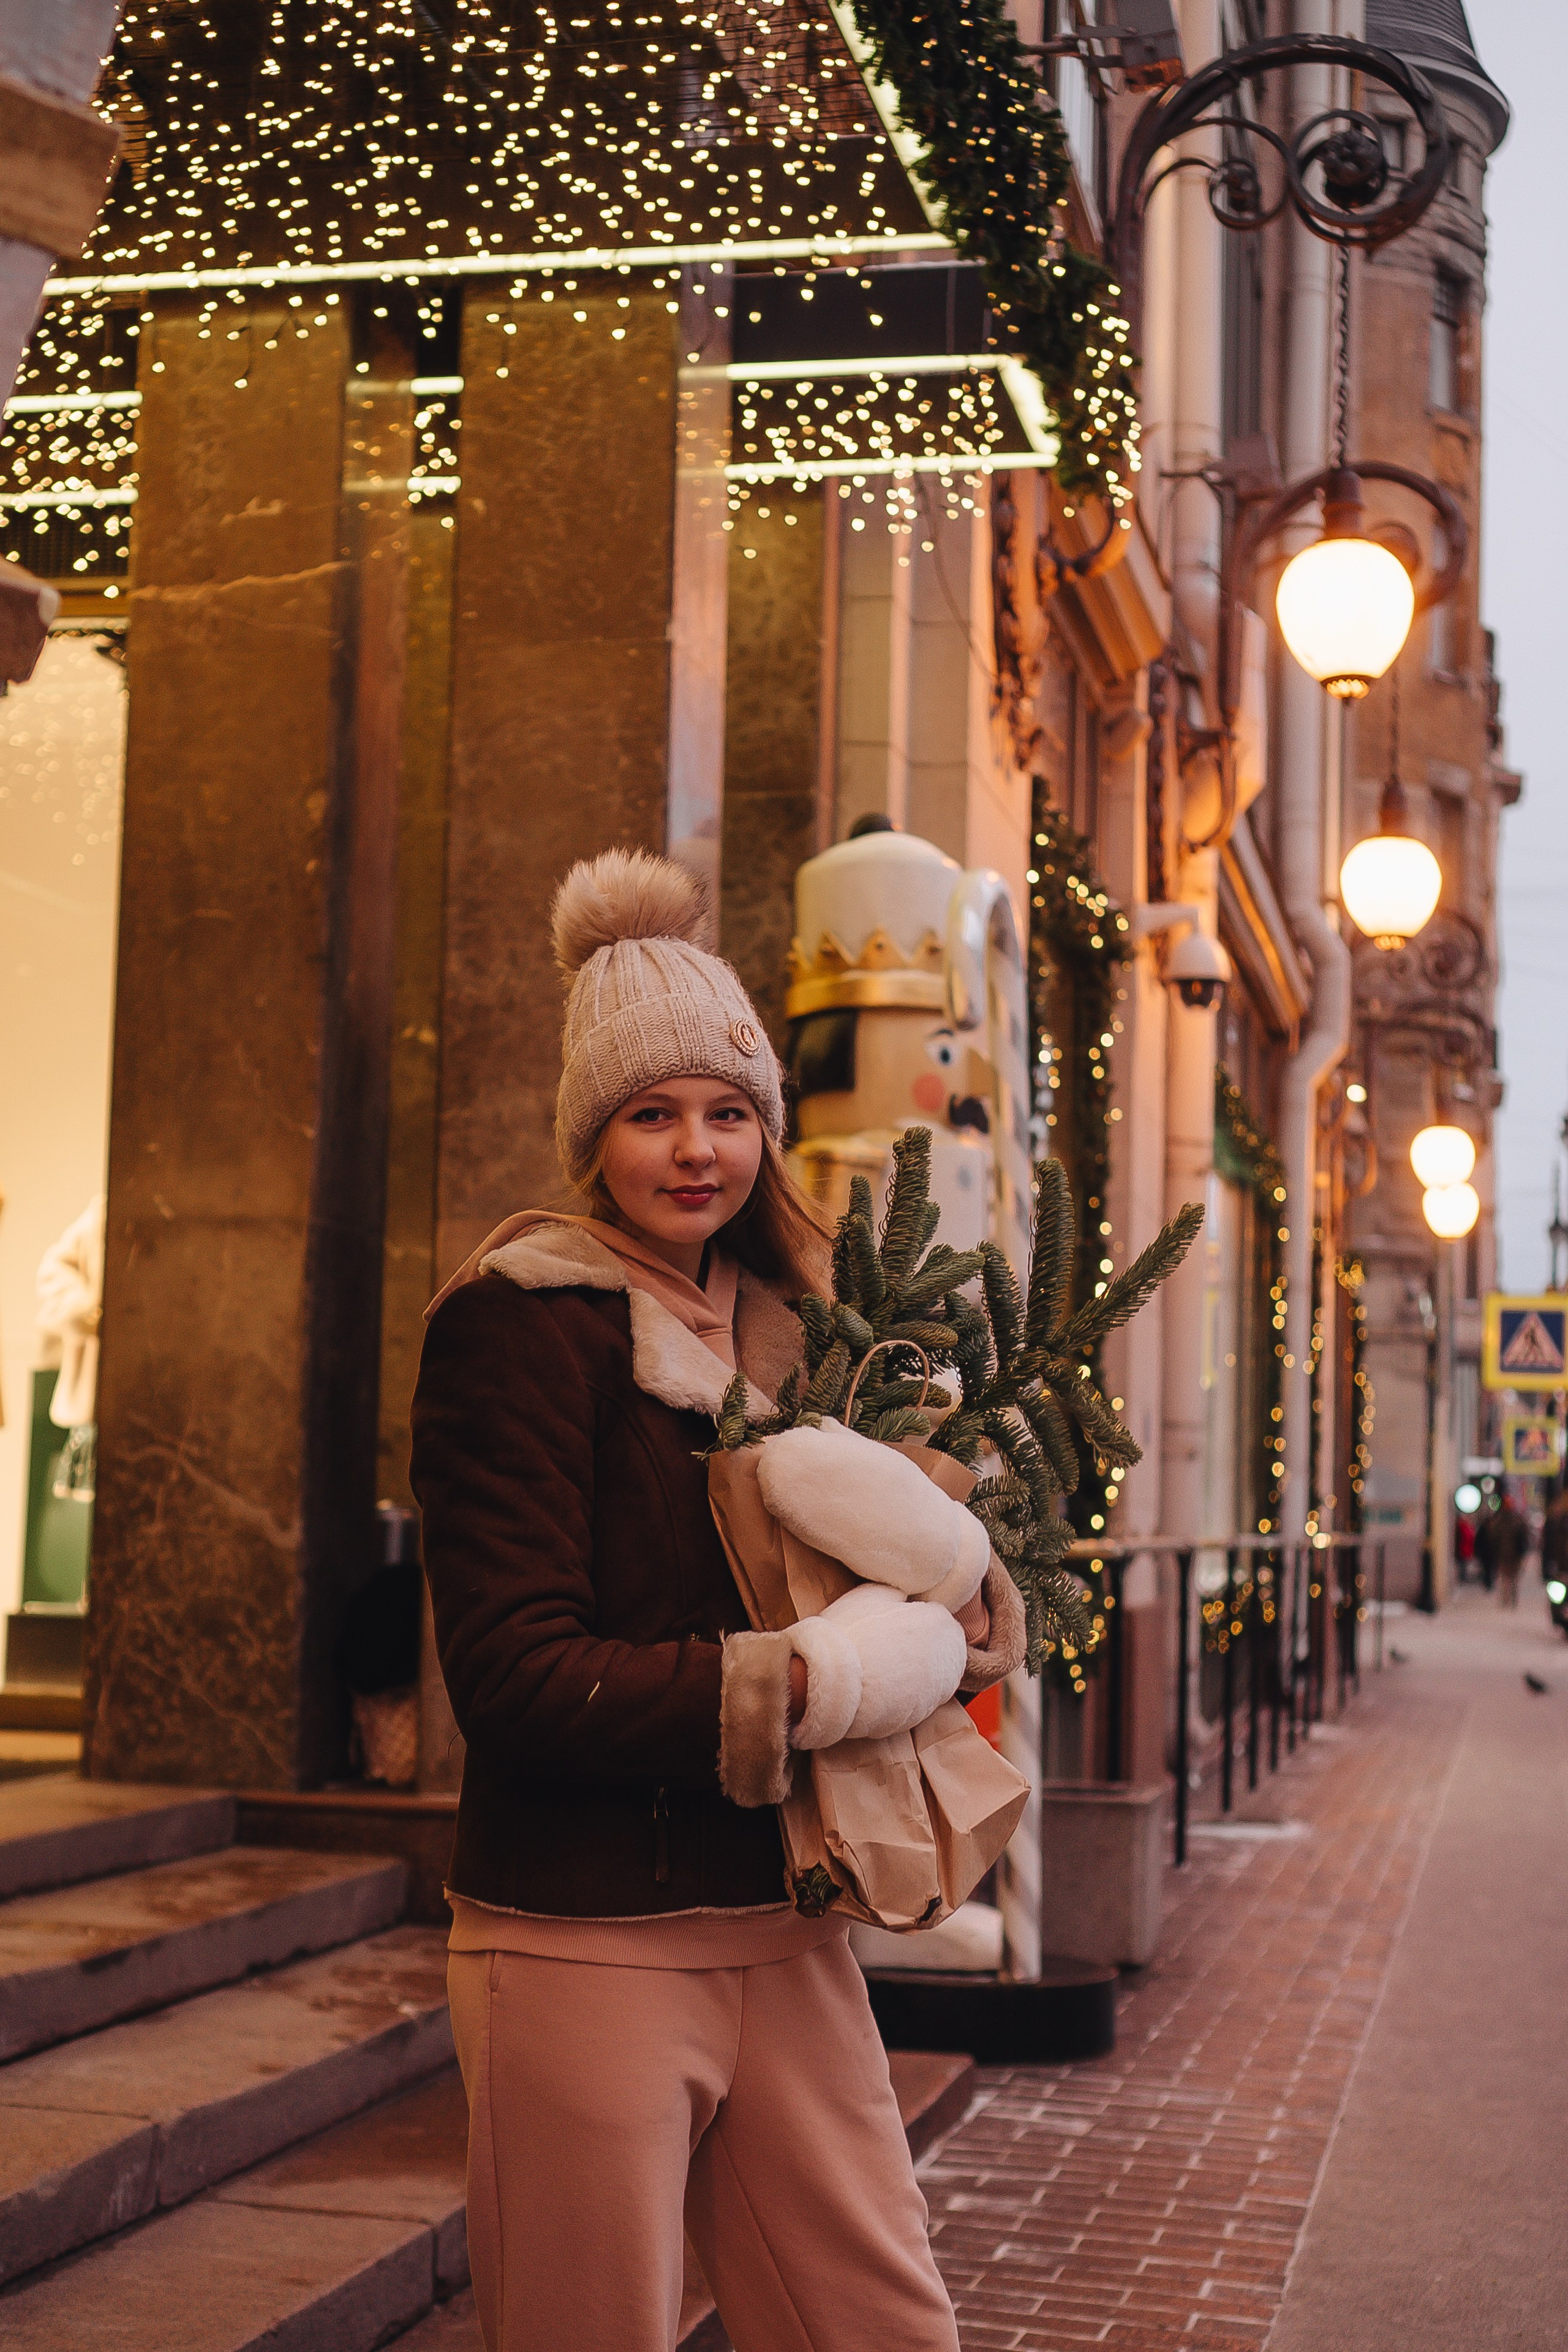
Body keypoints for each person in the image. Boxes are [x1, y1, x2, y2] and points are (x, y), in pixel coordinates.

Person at [411, 850, 1023, 2352]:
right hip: (581, 1934)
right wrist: (810, 1680)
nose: (697, 1149)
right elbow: (515, 1675)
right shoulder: (516, 1327)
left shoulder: (798, 1340)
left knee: (877, 2321)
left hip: (787, 1917)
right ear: (593, 1132)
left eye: (727, 1111)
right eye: (652, 1112)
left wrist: (964, 1599)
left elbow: (910, 1570)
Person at [1493, 1491, 1528, 1608]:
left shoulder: (1517, 1520)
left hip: (1515, 1555)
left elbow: (1524, 1537)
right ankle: (1506, 1600)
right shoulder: (1500, 1520)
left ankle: (1512, 1600)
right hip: (1503, 1555)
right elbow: (1494, 1537)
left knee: (1513, 1579)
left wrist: (1522, 1552)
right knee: (1504, 1579)